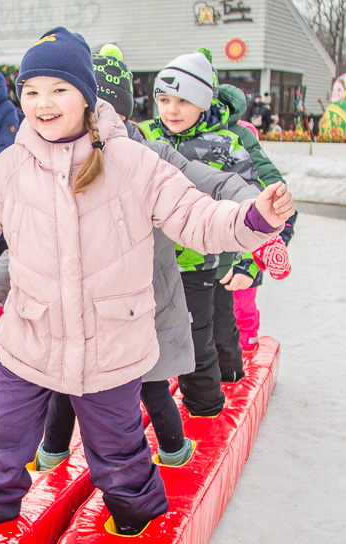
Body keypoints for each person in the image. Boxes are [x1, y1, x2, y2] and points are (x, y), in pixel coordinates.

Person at [0, 27, 292, 538]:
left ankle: (138, 521)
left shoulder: (132, 161)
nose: (43, 103)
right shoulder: (13, 167)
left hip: (112, 346)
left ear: (86, 95)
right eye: (32, 91)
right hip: (30, 341)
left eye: (58, 89)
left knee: (119, 455)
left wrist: (254, 219)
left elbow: (197, 217)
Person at [0, 48, 265, 471]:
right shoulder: (63, 158)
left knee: (149, 381)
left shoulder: (149, 155)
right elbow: (35, 236)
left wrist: (254, 214)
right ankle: (54, 452)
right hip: (81, 308)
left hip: (145, 298)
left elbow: (216, 185)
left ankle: (175, 447)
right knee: (63, 385)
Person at [141, 49, 262, 416]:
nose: (171, 110)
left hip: (197, 263)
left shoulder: (225, 146)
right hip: (147, 262)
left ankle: (205, 410)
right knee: (143, 339)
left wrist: (248, 265)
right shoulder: (142, 137)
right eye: (164, 100)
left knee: (197, 339)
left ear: (204, 101)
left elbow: (251, 206)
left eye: (183, 101)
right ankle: (138, 409)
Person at [218, 83, 295, 351]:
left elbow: (269, 182)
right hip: (224, 233)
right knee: (226, 304)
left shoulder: (242, 140)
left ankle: (248, 343)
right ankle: (236, 345)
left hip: (248, 236)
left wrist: (276, 239)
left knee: (243, 301)